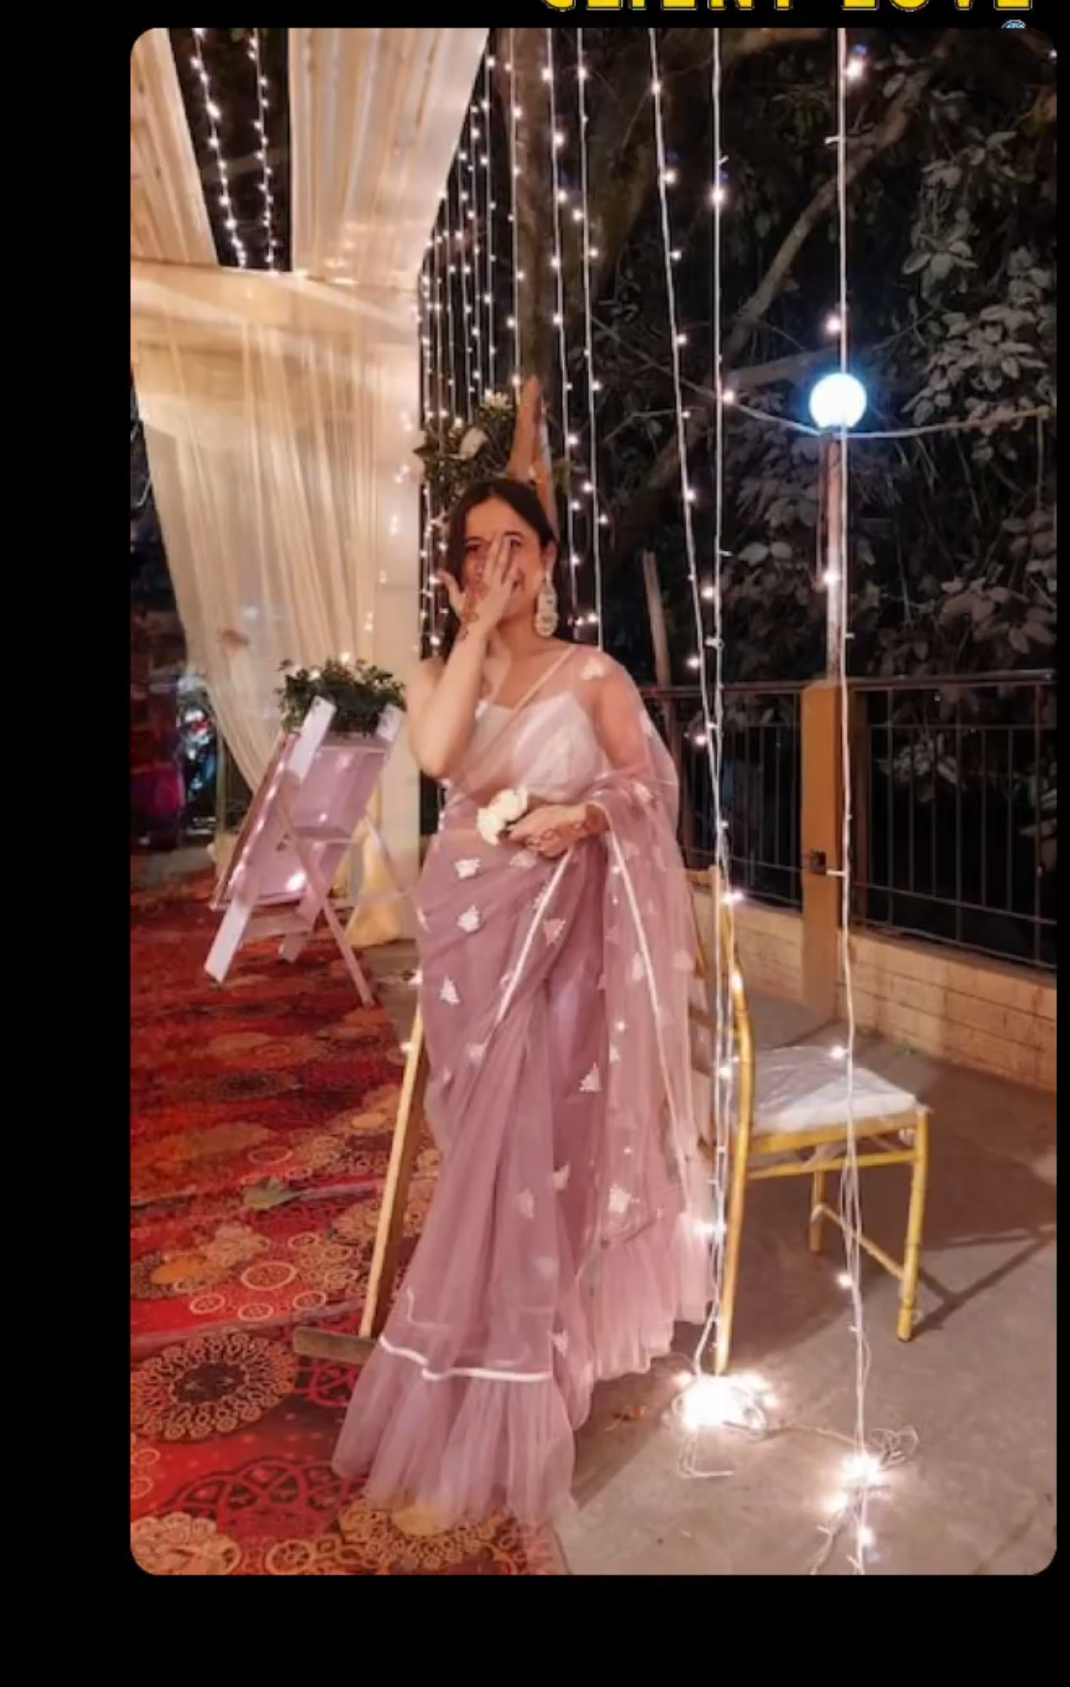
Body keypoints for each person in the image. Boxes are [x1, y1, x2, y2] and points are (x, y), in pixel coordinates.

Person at [334, 456, 711, 1530]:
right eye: (476, 549)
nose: (496, 565)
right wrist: (470, 636)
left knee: (537, 1165)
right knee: (483, 1164)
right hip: (470, 939)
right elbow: (439, 753)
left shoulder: (592, 675)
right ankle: (472, 1380)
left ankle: (517, 1395)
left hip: (565, 945)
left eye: (515, 546)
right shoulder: (432, 670)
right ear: (454, 571)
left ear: (548, 559)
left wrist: (585, 816)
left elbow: (649, 785)